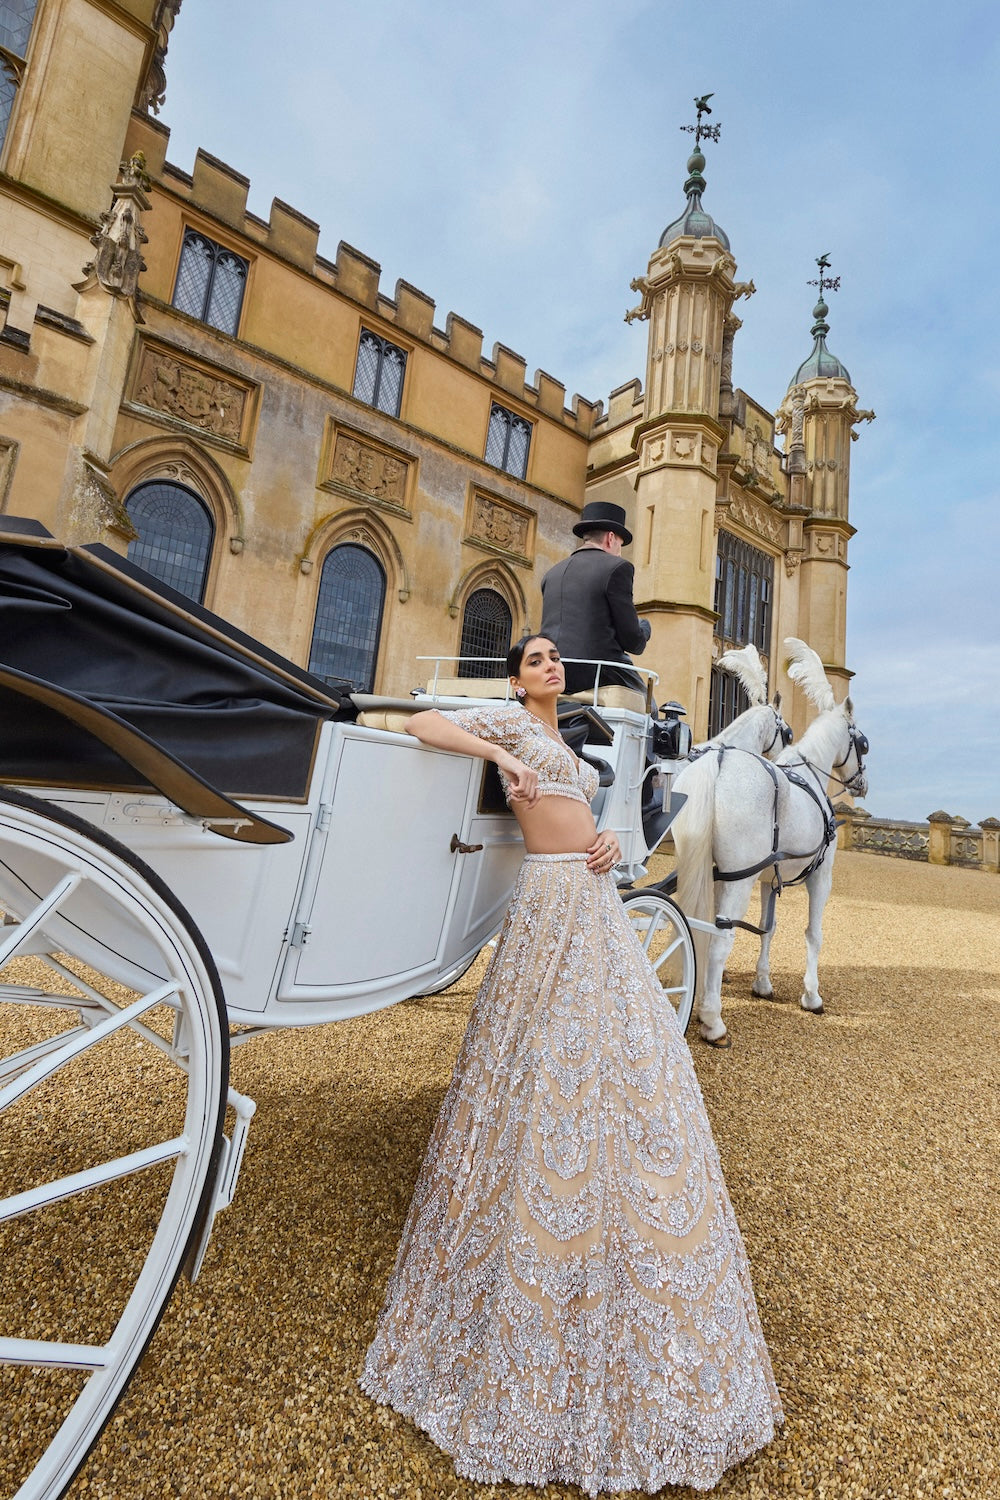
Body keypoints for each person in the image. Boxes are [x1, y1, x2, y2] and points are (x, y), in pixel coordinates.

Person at [361, 636, 783, 1496]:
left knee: (625, 1061)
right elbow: (420, 724)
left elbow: (603, 826)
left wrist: (605, 849)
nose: (551, 666)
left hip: (588, 890)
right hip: (548, 900)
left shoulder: (574, 735)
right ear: (517, 676)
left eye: (556, 659)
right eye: (538, 658)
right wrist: (494, 752)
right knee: (539, 1060)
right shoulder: (510, 723)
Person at [540, 500, 651, 696]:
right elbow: (632, 641)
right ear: (610, 538)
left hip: (550, 668)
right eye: (620, 544)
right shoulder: (617, 568)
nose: (619, 551)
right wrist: (644, 628)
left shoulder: (551, 574)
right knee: (650, 710)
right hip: (596, 671)